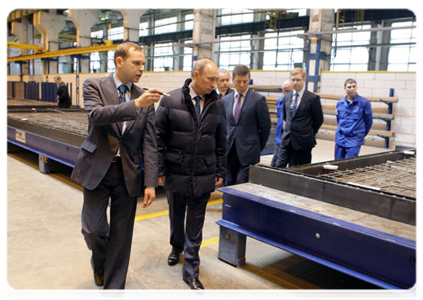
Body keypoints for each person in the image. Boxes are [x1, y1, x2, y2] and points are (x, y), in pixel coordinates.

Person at [71, 42, 163, 300]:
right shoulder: (94, 85)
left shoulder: (144, 97)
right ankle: (100, 265)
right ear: (119, 62)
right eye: (136, 63)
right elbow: (97, 115)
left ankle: (113, 293)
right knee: (95, 230)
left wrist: (150, 182)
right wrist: (135, 105)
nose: (141, 69)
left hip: (128, 173)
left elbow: (150, 143)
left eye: (143, 64)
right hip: (97, 169)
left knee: (122, 237)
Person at [156, 59, 227, 296]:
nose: (215, 84)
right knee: (176, 216)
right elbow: (158, 138)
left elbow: (221, 140)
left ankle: (191, 271)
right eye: (211, 79)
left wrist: (220, 170)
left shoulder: (217, 104)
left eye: (216, 79)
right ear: (196, 75)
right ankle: (176, 247)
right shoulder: (171, 99)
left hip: (204, 173)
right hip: (176, 172)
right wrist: (159, 170)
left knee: (196, 225)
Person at [222, 64, 271, 185]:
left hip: (249, 152)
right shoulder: (225, 100)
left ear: (249, 80)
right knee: (230, 183)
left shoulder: (258, 100)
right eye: (239, 81)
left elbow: (265, 127)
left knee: (241, 183)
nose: (242, 85)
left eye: (245, 81)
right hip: (230, 150)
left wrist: (257, 148)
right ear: (233, 80)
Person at [275, 68, 324, 168]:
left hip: (303, 142)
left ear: (304, 80)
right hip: (287, 139)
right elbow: (286, 117)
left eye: (298, 80)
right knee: (279, 167)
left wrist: (308, 132)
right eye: (293, 80)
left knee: (298, 170)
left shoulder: (312, 98)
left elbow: (318, 119)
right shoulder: (287, 97)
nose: (295, 82)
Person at [335, 78, 373, 159]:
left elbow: (368, 121)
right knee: (336, 162)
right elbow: (338, 119)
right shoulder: (340, 103)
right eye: (349, 87)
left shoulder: (364, 103)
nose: (352, 89)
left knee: (350, 162)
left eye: (354, 86)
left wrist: (361, 134)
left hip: (355, 138)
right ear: (344, 88)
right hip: (341, 137)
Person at [270, 79, 293, 167]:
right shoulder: (279, 101)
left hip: (291, 137)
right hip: (279, 137)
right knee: (275, 162)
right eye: (283, 90)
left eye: (288, 91)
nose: (285, 93)